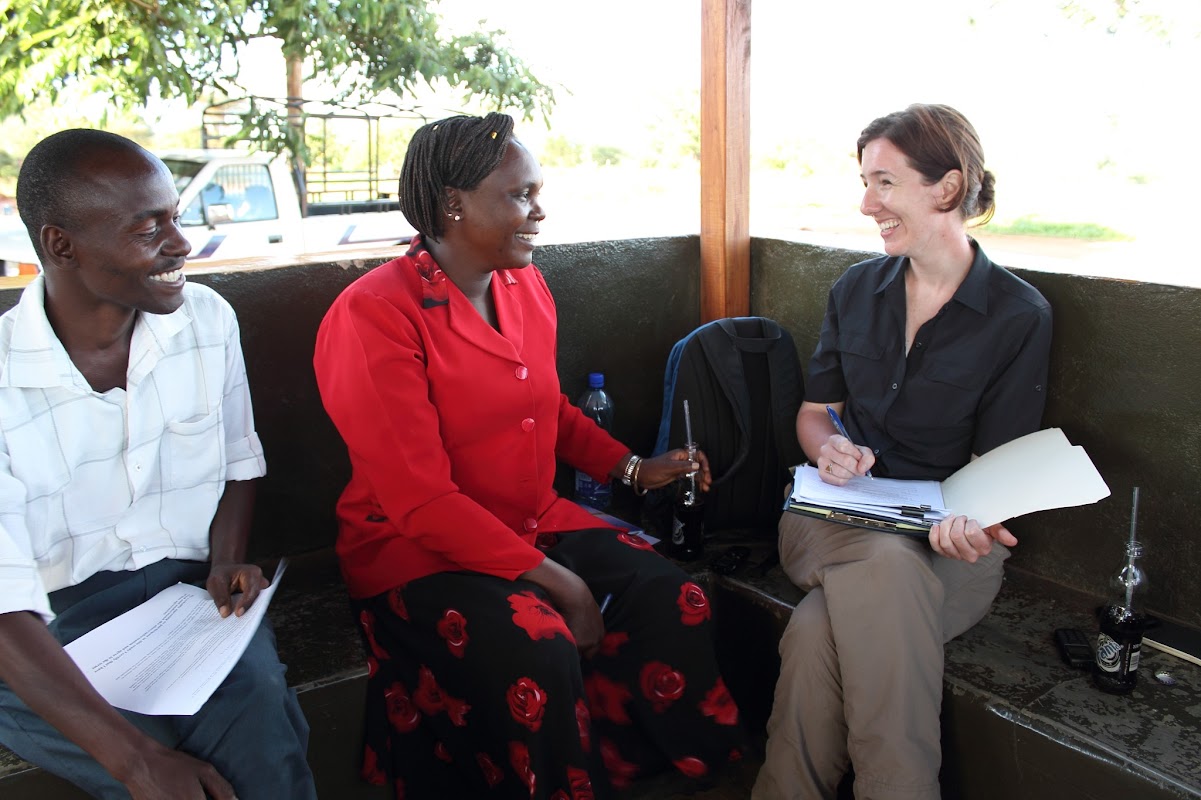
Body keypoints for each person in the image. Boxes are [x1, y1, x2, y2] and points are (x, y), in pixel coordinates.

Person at [313, 112, 748, 799]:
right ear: (453, 204)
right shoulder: (374, 314)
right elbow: (419, 501)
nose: (539, 211)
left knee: (671, 594)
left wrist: (634, 468)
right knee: (538, 644)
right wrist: (563, 584)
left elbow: (547, 410)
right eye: (520, 195)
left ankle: (653, 775)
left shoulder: (523, 285)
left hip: (531, 520)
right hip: (417, 549)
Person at [0, 129, 316, 800]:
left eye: (175, 217)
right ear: (61, 245)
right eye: (150, 230)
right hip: (41, 624)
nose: (182, 243)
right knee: (160, 758)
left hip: (183, 598)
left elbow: (238, 459)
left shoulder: (205, 320)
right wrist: (137, 763)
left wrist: (227, 558)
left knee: (261, 724)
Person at [753, 104, 1052, 800]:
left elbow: (1000, 470)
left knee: (818, 631)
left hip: (949, 548)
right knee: (884, 566)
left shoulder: (1018, 315)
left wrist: (972, 521)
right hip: (832, 524)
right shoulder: (854, 290)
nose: (867, 204)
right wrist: (829, 449)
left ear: (946, 188)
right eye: (865, 183)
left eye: (884, 183)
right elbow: (814, 415)